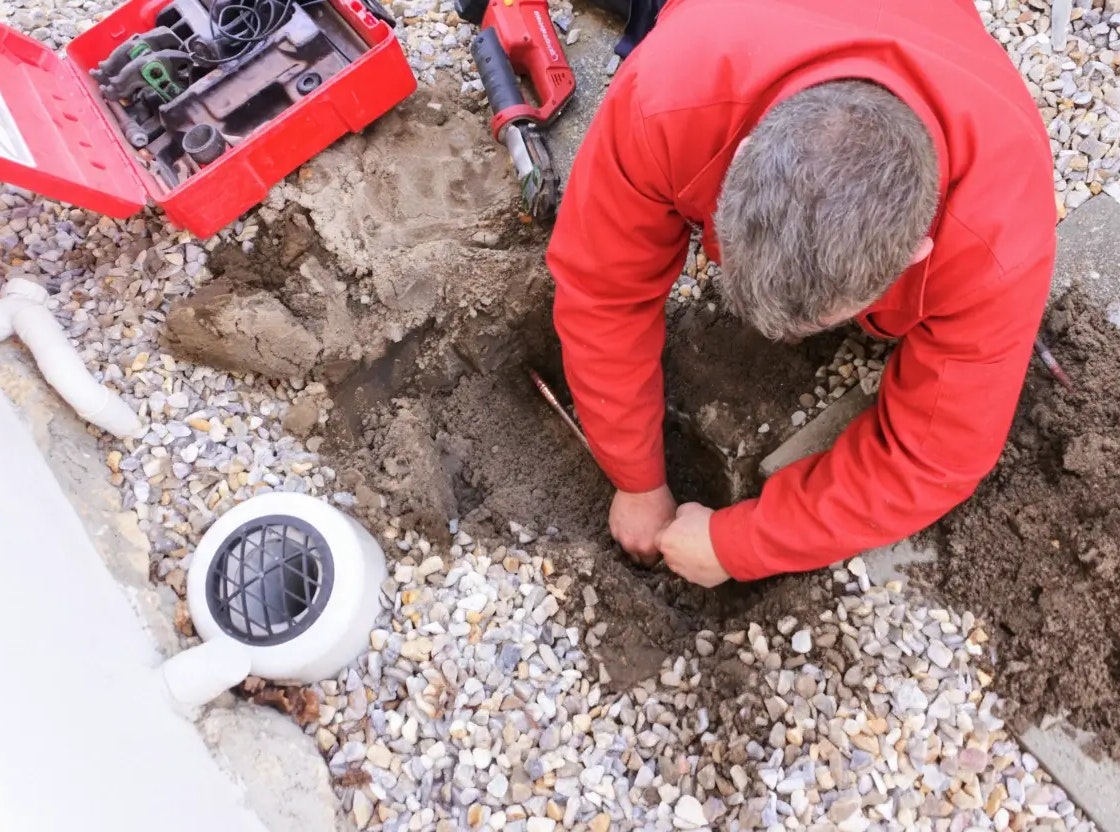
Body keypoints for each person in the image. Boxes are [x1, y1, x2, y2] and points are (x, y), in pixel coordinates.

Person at [544, 0, 1058, 587]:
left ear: (918, 253)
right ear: (739, 158)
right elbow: (601, 289)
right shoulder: (666, 98)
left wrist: (740, 544)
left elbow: (933, 458)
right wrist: (636, 477)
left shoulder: (997, 236)